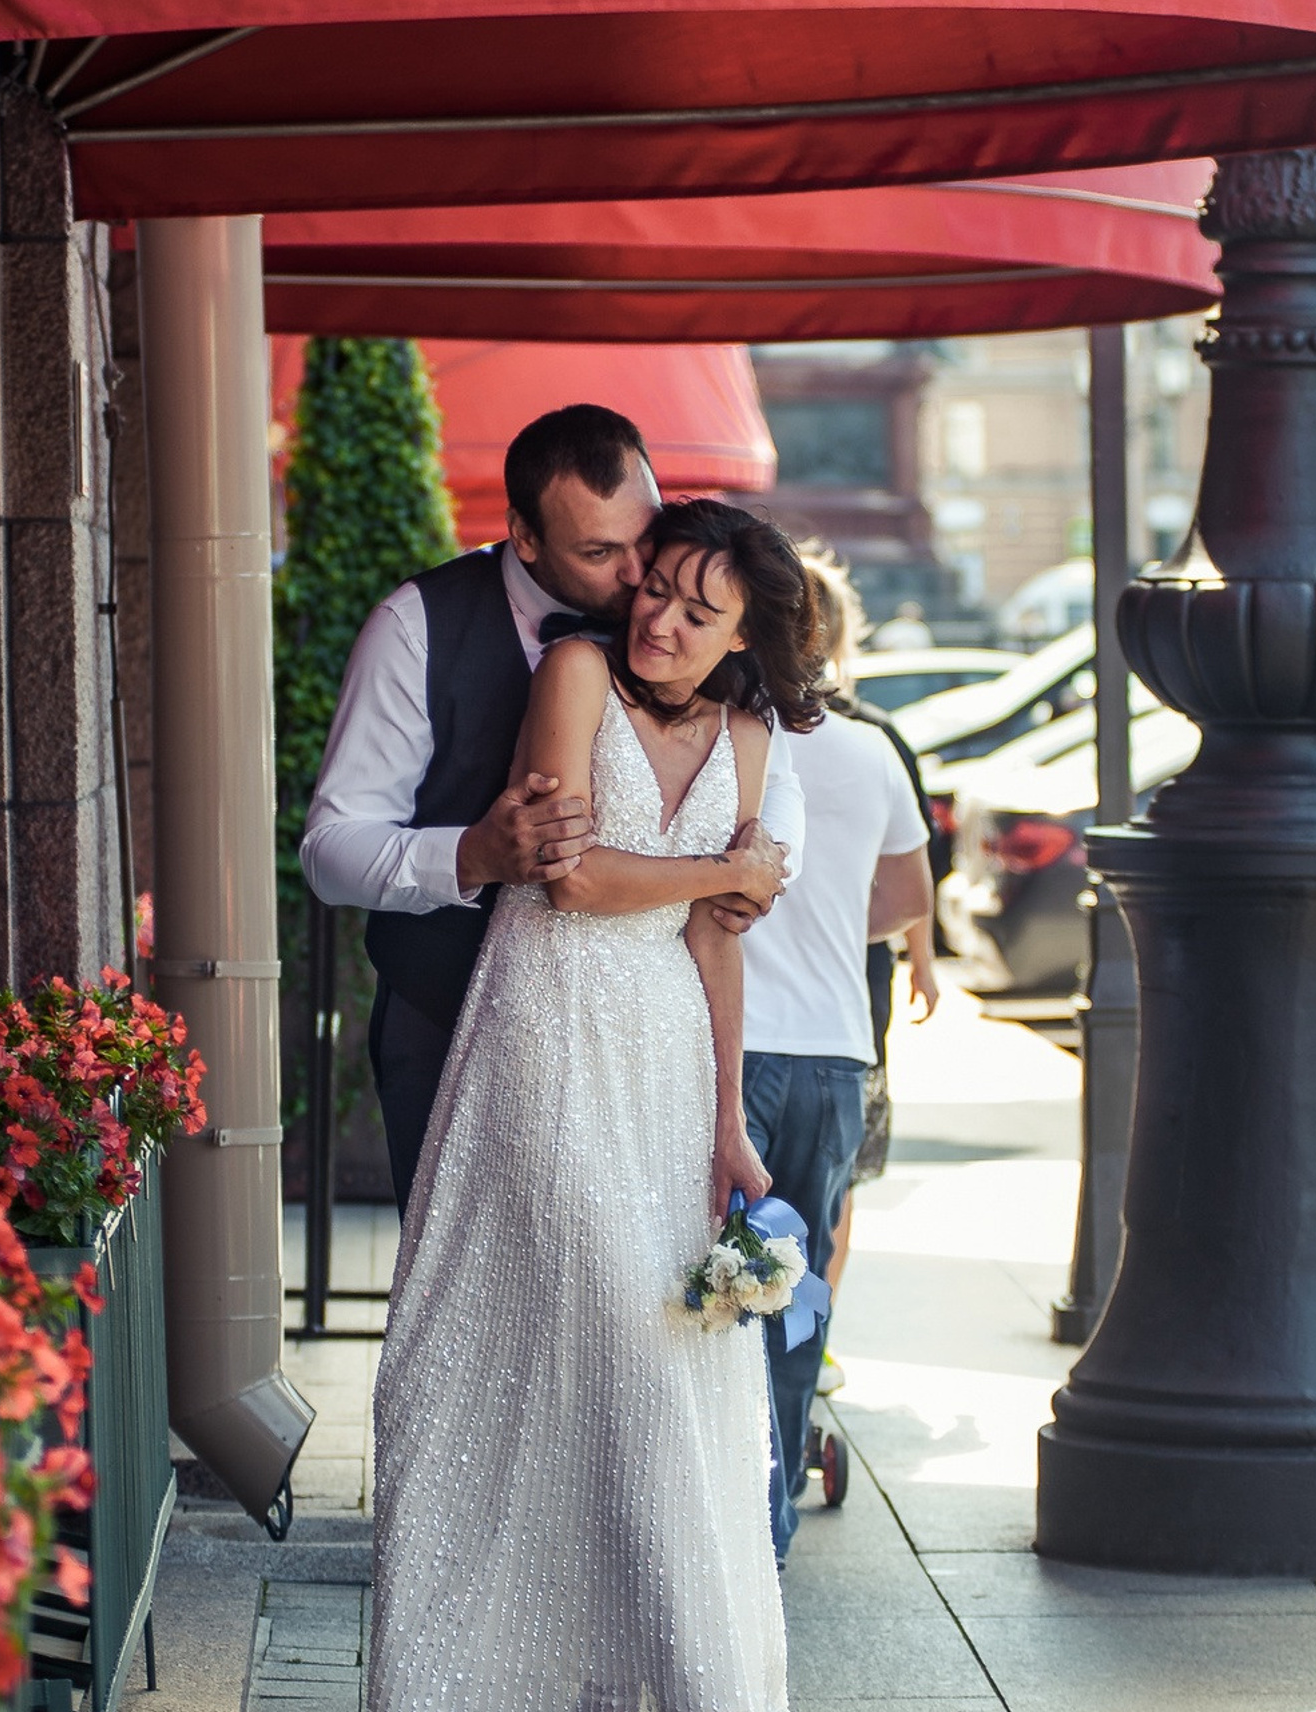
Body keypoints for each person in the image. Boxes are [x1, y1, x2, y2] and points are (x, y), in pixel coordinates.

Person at [368, 499, 826, 1711]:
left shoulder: (747, 736)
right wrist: (730, 868)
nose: (659, 618)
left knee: (666, 1356)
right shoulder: (573, 669)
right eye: (655, 587)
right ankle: (478, 1671)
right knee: (594, 1332)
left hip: (669, 1063)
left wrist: (729, 1122)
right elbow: (569, 880)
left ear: (744, 637)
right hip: (544, 1034)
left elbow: (716, 949)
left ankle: (666, 1671)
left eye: (696, 607)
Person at [302, 404, 806, 1212]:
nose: (642, 577)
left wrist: (763, 862)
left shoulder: (686, 617)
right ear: (525, 537)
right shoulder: (416, 626)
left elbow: (771, 776)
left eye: (645, 537)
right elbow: (330, 850)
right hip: (446, 1015)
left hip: (643, 1035)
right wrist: (471, 855)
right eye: (602, 553)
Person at [740, 552, 935, 1560]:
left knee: (701, 1282)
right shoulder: (872, 752)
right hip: (831, 1055)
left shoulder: (726, 739)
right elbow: (905, 905)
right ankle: (769, 1521)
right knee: (796, 1287)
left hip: (729, 1053)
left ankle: (718, 1510)